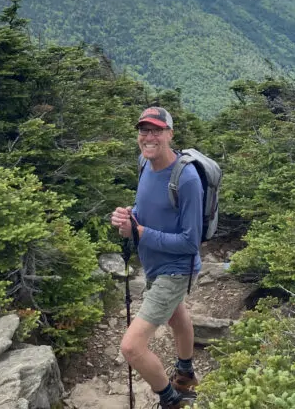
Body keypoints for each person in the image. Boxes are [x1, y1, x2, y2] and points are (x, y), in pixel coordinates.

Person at [111, 106, 203, 409]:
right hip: (153, 264)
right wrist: (129, 219)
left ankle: (171, 399)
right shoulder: (144, 162)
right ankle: (186, 374)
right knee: (177, 315)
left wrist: (142, 233)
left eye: (156, 130)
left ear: (170, 134)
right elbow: (144, 208)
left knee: (132, 347)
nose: (149, 137)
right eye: (143, 130)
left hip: (175, 270)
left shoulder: (187, 179)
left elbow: (191, 242)